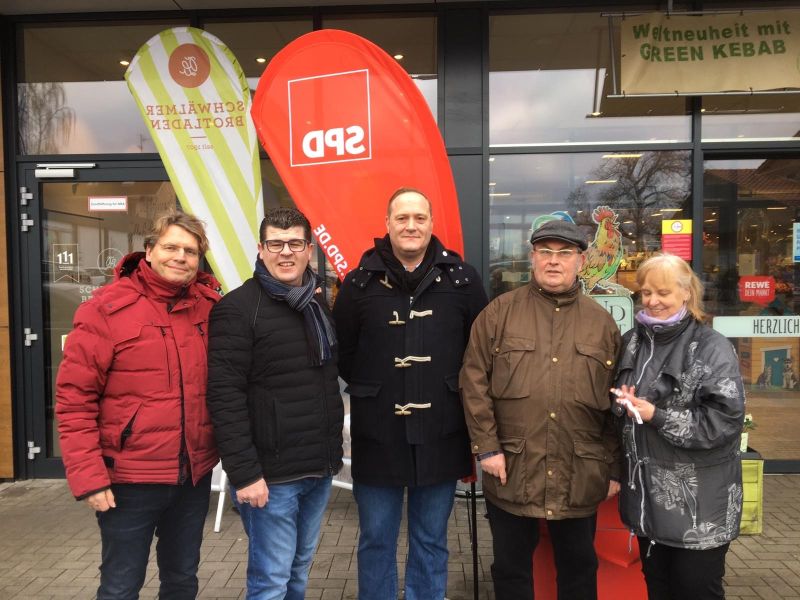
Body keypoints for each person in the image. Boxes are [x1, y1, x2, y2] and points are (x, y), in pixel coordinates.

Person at [55, 210, 221, 599]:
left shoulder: (211, 307)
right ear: (149, 250)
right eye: (171, 247)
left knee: (182, 581)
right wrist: (89, 478)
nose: (180, 257)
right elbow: (74, 399)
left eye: (190, 251)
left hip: (192, 477)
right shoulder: (105, 308)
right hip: (129, 480)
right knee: (120, 586)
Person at [332, 187, 487, 600]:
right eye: (402, 218)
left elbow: (479, 352)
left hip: (442, 431)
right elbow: (344, 353)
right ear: (387, 224)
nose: (411, 226)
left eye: (419, 217)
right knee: (375, 539)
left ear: (431, 223)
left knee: (431, 539)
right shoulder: (359, 283)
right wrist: (379, 387)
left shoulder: (463, 280)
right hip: (377, 432)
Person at [460, 218, 622, 600]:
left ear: (580, 261)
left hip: (580, 472)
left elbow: (617, 403)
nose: (553, 261)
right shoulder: (498, 314)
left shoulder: (602, 325)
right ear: (532, 257)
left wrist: (615, 467)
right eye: (545, 252)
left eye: (564, 253)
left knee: (579, 570)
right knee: (511, 570)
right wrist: (487, 447)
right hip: (513, 468)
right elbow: (473, 381)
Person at [206, 207, 343, 600]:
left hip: (317, 467)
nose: (286, 252)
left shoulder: (316, 304)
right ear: (261, 249)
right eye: (276, 244)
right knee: (271, 581)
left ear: (309, 250)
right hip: (271, 476)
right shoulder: (237, 309)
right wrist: (245, 474)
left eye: (295, 243)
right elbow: (225, 397)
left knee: (298, 571)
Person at [612, 254, 745, 600]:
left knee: (696, 591)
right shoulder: (632, 341)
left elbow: (723, 423)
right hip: (646, 504)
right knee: (658, 589)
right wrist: (623, 403)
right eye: (646, 292)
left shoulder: (713, 347)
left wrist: (656, 415)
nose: (652, 301)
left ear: (686, 292)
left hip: (699, 510)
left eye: (663, 292)